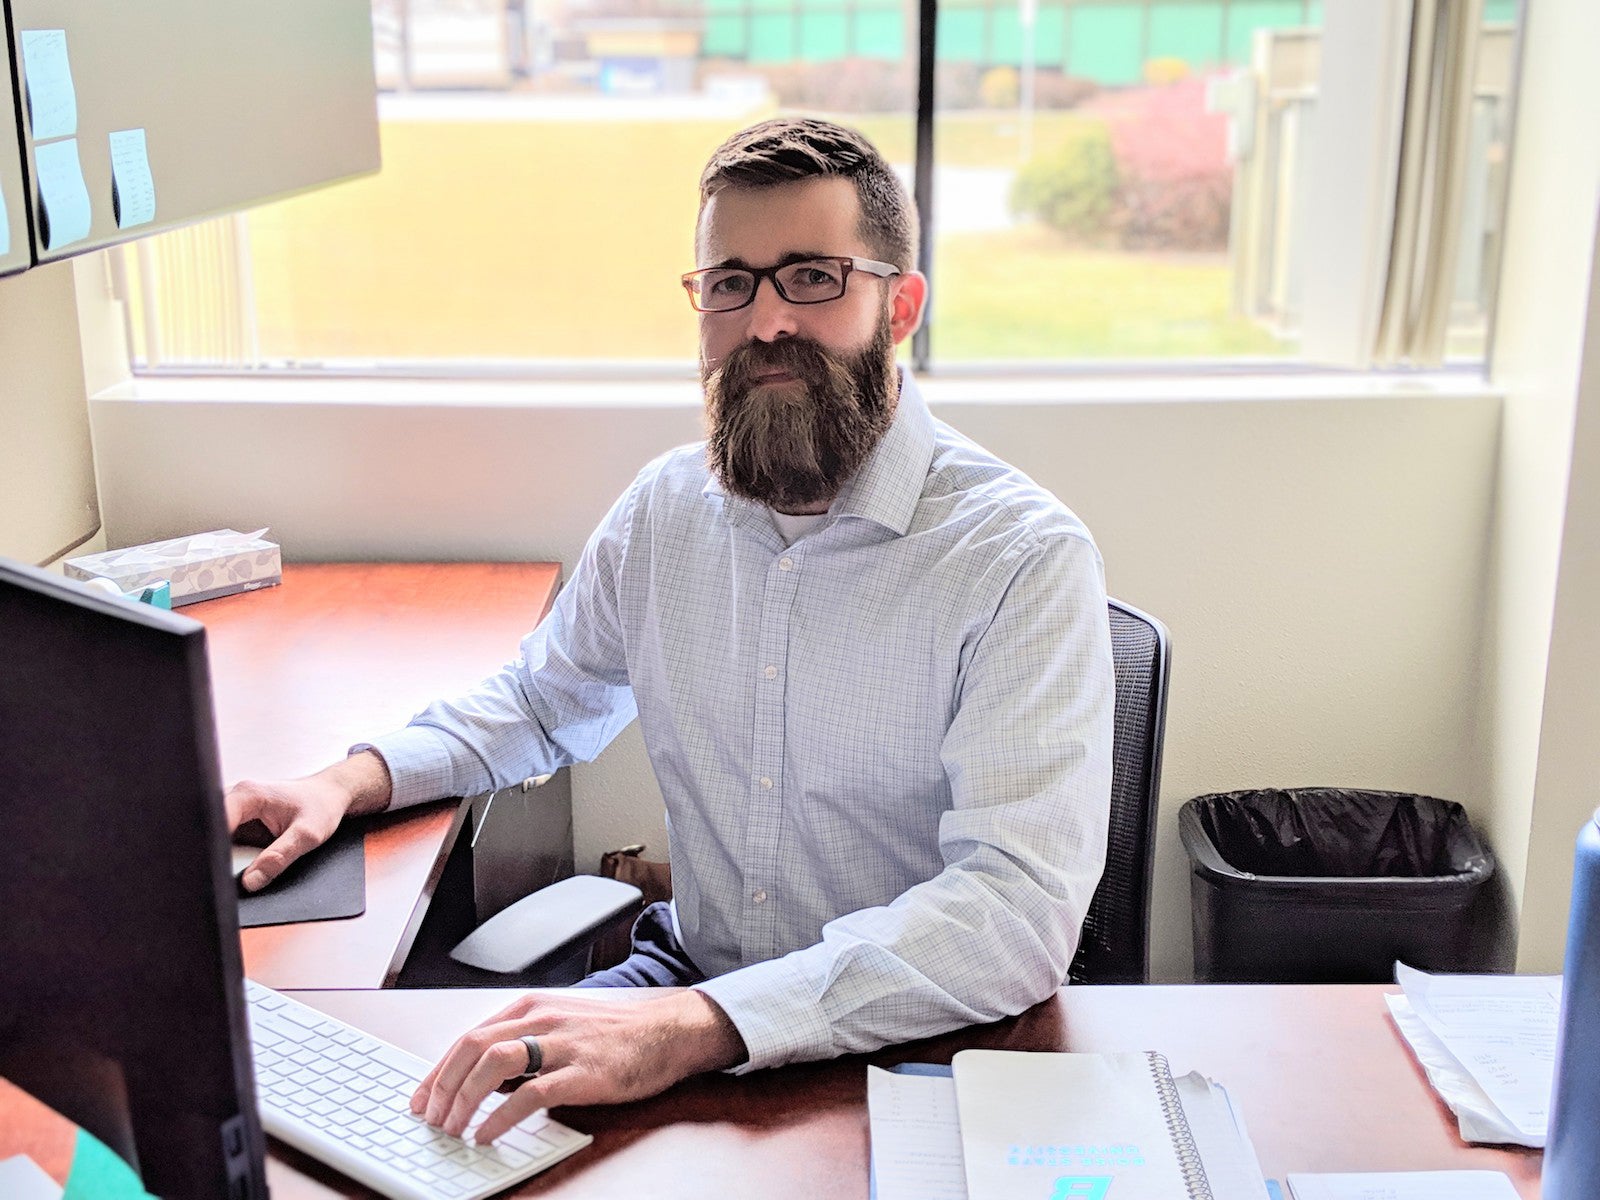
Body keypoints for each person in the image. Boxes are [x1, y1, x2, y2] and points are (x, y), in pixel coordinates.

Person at [225, 117, 1115, 1144]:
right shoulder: (666, 510)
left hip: (919, 1034)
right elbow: (538, 700)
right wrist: (348, 781)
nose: (765, 321)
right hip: (696, 982)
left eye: (813, 278)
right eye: (729, 283)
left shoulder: (1021, 560)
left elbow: (1011, 913)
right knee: (423, 1138)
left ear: (899, 304)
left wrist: (690, 1028)